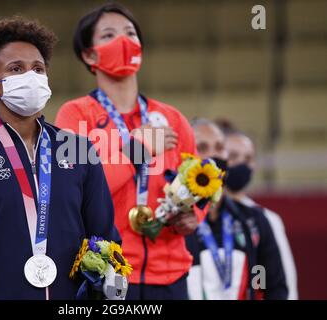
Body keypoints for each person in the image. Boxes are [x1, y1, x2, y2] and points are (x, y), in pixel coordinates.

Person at [0, 17, 120, 300]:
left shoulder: (79, 150)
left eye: (38, 68)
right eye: (16, 69)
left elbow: (106, 238)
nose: (30, 76)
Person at [55, 3, 206, 300]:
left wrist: (194, 217)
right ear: (89, 54)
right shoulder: (74, 116)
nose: (123, 41)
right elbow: (72, 191)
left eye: (130, 33)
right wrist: (138, 150)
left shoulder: (173, 119)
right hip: (105, 272)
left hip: (171, 275)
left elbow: (196, 186)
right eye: (109, 35)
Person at [185, 118, 288, 300]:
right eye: (202, 148)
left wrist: (258, 290)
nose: (213, 156)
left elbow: (265, 282)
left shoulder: (253, 221)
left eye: (219, 147)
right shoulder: (171, 222)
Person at [218, 121, 298, 299]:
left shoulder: (264, 219)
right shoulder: (201, 216)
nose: (241, 164)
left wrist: (257, 290)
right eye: (233, 156)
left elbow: (270, 277)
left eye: (248, 159)